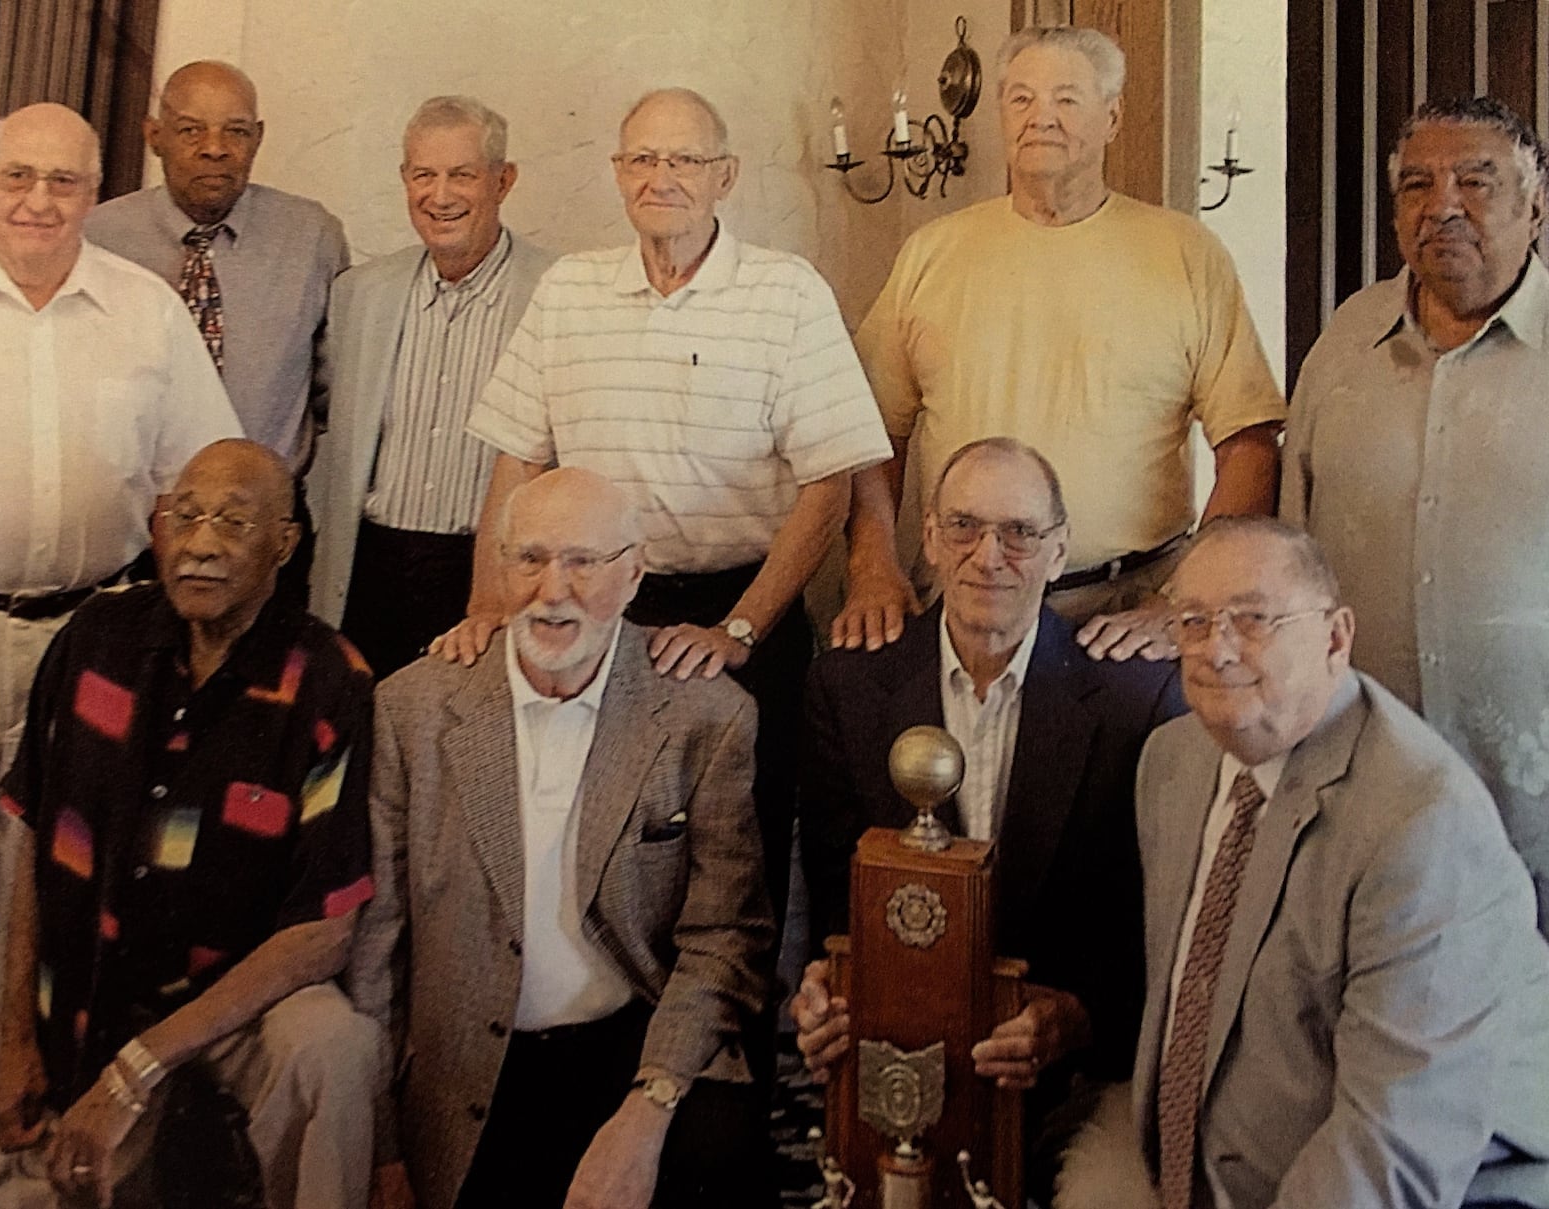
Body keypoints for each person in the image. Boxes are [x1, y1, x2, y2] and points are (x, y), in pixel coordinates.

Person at [449, 86, 892, 925]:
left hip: (744, 611)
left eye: (684, 160)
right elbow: (517, 463)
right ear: (618, 174)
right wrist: (488, 603)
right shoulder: (569, 291)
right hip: (596, 615)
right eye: (643, 159)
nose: (662, 178)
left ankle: (727, 1053)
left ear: (725, 175)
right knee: (600, 858)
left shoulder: (787, 292)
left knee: (740, 866)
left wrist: (739, 630)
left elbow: (828, 488)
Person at [350, 467, 777, 1209]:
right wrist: (383, 1150)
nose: (554, 589)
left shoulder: (707, 713)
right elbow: (376, 948)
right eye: (530, 558)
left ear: (635, 572)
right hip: (464, 1067)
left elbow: (725, 938)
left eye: (585, 561)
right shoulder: (411, 709)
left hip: (630, 1050)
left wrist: (646, 1114)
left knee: (715, 1148)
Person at [0, 439, 380, 1209]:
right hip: (90, 1000)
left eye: (232, 521)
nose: (200, 543)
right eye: (184, 515)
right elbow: (30, 840)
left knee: (335, 1045)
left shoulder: (328, 679)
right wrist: (15, 1042)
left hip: (231, 1009)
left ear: (284, 544)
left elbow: (324, 931)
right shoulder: (95, 641)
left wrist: (140, 1067)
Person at [1105, 517, 1549, 1209]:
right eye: (1193, 620)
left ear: (1336, 637)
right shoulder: (1171, 761)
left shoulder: (1423, 824)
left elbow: (1390, 1148)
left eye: (1253, 619)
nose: (1216, 649)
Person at [792, 438, 1183, 1202]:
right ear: (929, 538)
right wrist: (825, 990)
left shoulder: (1138, 702)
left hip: (1074, 1072)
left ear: (1059, 548)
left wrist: (1074, 1016)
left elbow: (1156, 932)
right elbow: (840, 904)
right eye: (965, 527)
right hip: (898, 1065)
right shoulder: (848, 686)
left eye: (1020, 533)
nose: (989, 555)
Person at [835, 25, 1285, 663]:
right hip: (968, 599)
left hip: (1132, 609)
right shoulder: (931, 254)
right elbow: (871, 435)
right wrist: (873, 566)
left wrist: (1187, 601)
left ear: (1113, 116)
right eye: (1020, 99)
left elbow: (1249, 443)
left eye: (1067, 99)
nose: (1040, 116)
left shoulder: (1187, 254)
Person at [0, 102, 239, 939]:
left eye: (63, 181)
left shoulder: (146, 311)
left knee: (57, 886)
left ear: (95, 193)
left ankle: (26, 1066)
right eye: (18, 176)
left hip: (92, 640)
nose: (38, 199)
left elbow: (204, 479)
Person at [1282, 96, 1549, 933]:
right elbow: (1294, 547)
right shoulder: (1344, 340)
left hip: (1533, 805)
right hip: (1360, 791)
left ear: (1536, 204)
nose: (1443, 205)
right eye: (1416, 185)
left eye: (1477, 180)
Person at [87, 60, 350, 608]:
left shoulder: (311, 237)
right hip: (130, 521)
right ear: (154, 136)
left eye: (235, 130)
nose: (215, 148)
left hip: (260, 526)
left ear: (258, 139)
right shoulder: (100, 237)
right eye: (190, 130)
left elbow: (333, 390)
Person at [310, 95, 554, 679]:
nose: (440, 196)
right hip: (368, 573)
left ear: (504, 180)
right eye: (424, 175)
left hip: (488, 576)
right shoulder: (358, 295)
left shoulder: (559, 291)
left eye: (462, 175)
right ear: (404, 179)